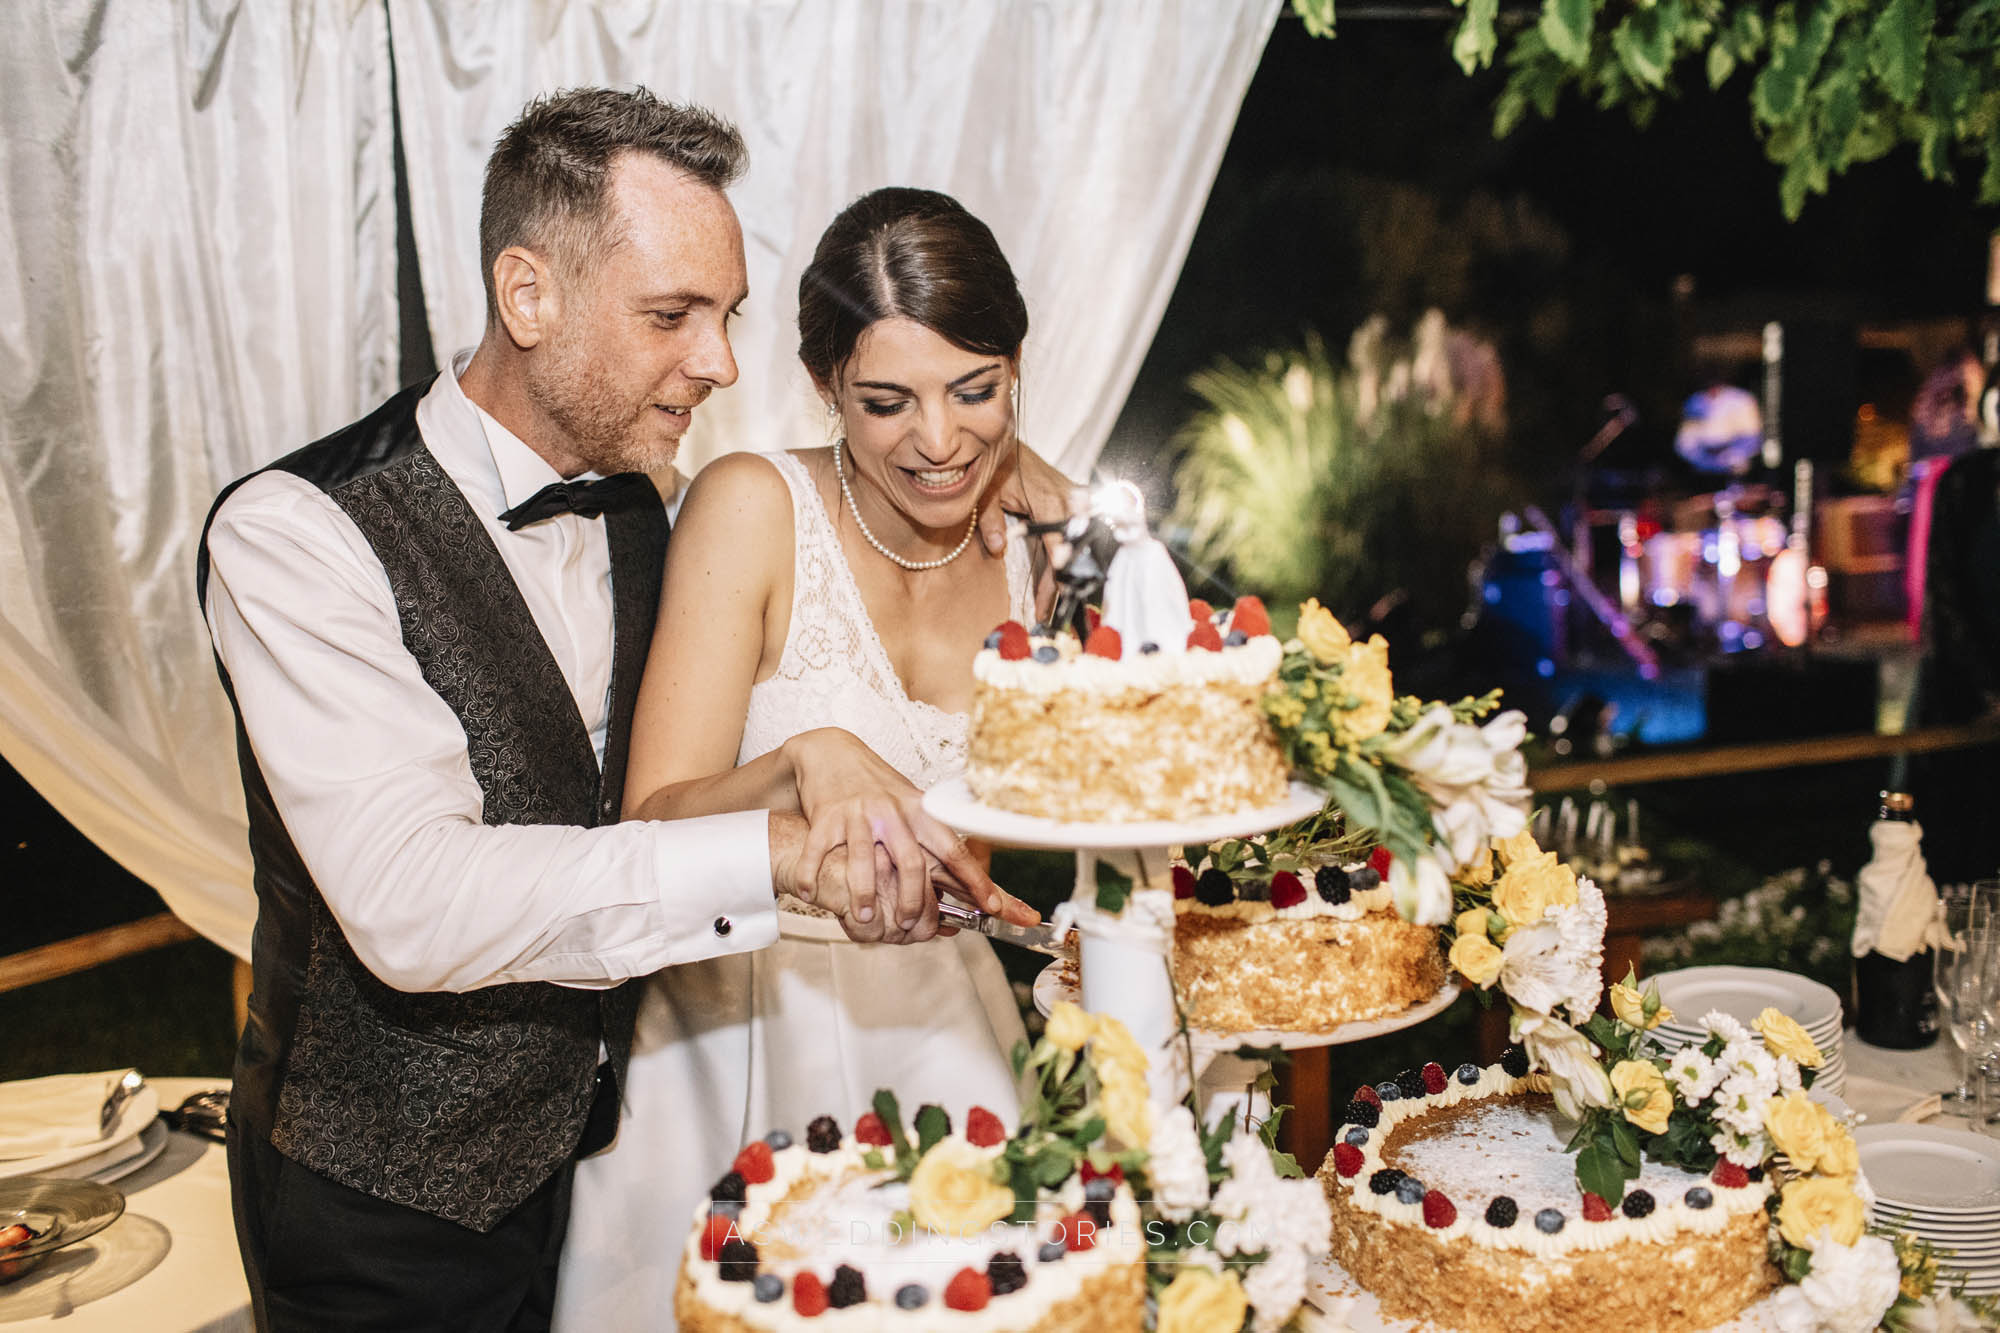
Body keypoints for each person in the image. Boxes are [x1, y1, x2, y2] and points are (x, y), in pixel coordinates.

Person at [199, 92, 1039, 1332]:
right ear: (527, 296)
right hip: (389, 1208)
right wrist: (780, 851)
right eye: (671, 317)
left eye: (726, 317)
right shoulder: (297, 535)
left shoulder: (655, 505)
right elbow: (415, 903)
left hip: (619, 1157)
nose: (719, 362)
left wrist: (1023, 470)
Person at [552, 188, 1055, 1328]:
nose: (937, 441)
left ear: (1015, 366)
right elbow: (648, 825)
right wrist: (802, 760)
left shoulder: (1037, 544)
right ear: (825, 387)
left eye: (973, 390)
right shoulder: (751, 508)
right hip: (737, 1046)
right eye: (886, 403)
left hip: (947, 1041)